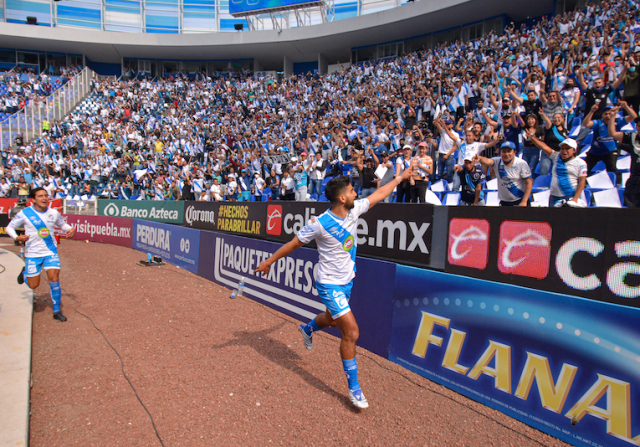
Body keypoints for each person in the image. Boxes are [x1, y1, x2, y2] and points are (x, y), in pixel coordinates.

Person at [255, 165, 415, 409]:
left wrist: (401, 178)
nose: (356, 193)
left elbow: (379, 194)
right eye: (352, 191)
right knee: (351, 331)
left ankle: (308, 328)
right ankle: (354, 388)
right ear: (342, 197)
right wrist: (269, 261)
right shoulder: (319, 223)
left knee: (331, 319)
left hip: (347, 281)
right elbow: (293, 244)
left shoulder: (354, 211)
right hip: (328, 283)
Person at [6, 187, 76, 322]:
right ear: (33, 199)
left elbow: (63, 225)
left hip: (50, 252)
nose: (44, 198)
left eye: (46, 195)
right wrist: (16, 237)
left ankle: (56, 311)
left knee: (54, 278)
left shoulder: (54, 213)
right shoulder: (25, 213)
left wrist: (71, 228)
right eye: (40, 196)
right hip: (32, 253)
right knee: (33, 285)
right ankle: (25, 272)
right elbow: (10, 227)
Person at [526, 133, 587, 207]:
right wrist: (532, 138)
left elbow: (582, 182)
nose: (564, 151)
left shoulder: (581, 163)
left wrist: (575, 199)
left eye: (567, 148)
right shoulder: (556, 156)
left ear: (574, 150)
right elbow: (544, 147)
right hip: (554, 196)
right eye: (562, 148)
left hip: (570, 196)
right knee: (552, 218)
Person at [476, 141, 533, 206]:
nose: (506, 154)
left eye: (509, 151)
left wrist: (524, 201)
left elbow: (529, 182)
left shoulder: (521, 163)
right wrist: (480, 158)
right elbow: (488, 161)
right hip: (504, 202)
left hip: (519, 200)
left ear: (514, 152)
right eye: (504, 151)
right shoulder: (497, 161)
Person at [607, 110, 640, 207]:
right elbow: (612, 134)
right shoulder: (632, 137)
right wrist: (612, 117)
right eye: (638, 126)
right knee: (631, 209)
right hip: (635, 179)